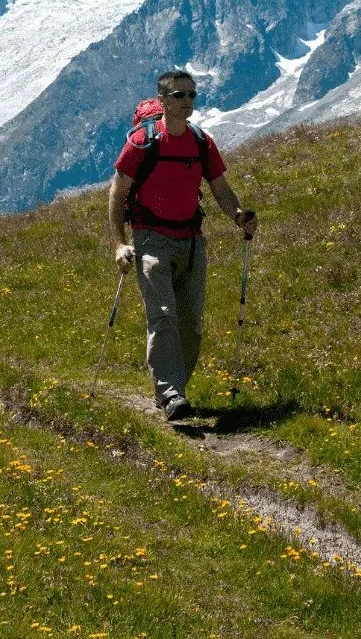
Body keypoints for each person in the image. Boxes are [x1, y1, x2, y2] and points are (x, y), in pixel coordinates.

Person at [107, 69, 259, 422]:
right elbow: (118, 191)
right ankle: (170, 393)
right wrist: (119, 243)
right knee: (163, 316)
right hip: (151, 238)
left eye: (191, 94)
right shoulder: (142, 142)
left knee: (190, 323)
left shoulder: (201, 142)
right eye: (179, 95)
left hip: (192, 240)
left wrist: (238, 216)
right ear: (161, 101)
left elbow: (220, 188)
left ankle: (176, 390)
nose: (187, 101)